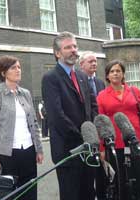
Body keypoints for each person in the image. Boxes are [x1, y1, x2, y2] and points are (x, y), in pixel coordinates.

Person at [41, 31, 98, 200]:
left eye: (75, 46)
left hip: (87, 148)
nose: (73, 50)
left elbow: (92, 106)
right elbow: (57, 116)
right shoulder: (50, 78)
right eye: (68, 47)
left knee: (88, 193)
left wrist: (91, 132)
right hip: (68, 150)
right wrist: (82, 137)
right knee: (71, 195)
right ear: (57, 53)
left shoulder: (82, 76)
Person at [96, 59, 140, 200]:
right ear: (107, 76)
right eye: (112, 71)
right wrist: (102, 147)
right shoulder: (101, 96)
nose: (115, 74)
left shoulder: (134, 91)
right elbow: (101, 123)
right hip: (115, 142)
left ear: (123, 74)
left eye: (118, 71)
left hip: (135, 138)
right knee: (120, 178)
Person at [0, 55, 43, 200]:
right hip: (7, 155)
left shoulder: (26, 93)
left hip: (28, 151)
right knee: (10, 194)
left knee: (29, 191)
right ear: (3, 73)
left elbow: (34, 123)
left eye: (19, 67)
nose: (18, 70)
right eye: (13, 67)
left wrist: (39, 149)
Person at [79, 51, 107, 200]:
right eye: (90, 61)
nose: (94, 63)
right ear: (81, 64)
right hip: (87, 132)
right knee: (89, 170)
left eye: (95, 61)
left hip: (101, 129)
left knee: (102, 170)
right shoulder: (78, 81)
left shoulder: (100, 82)